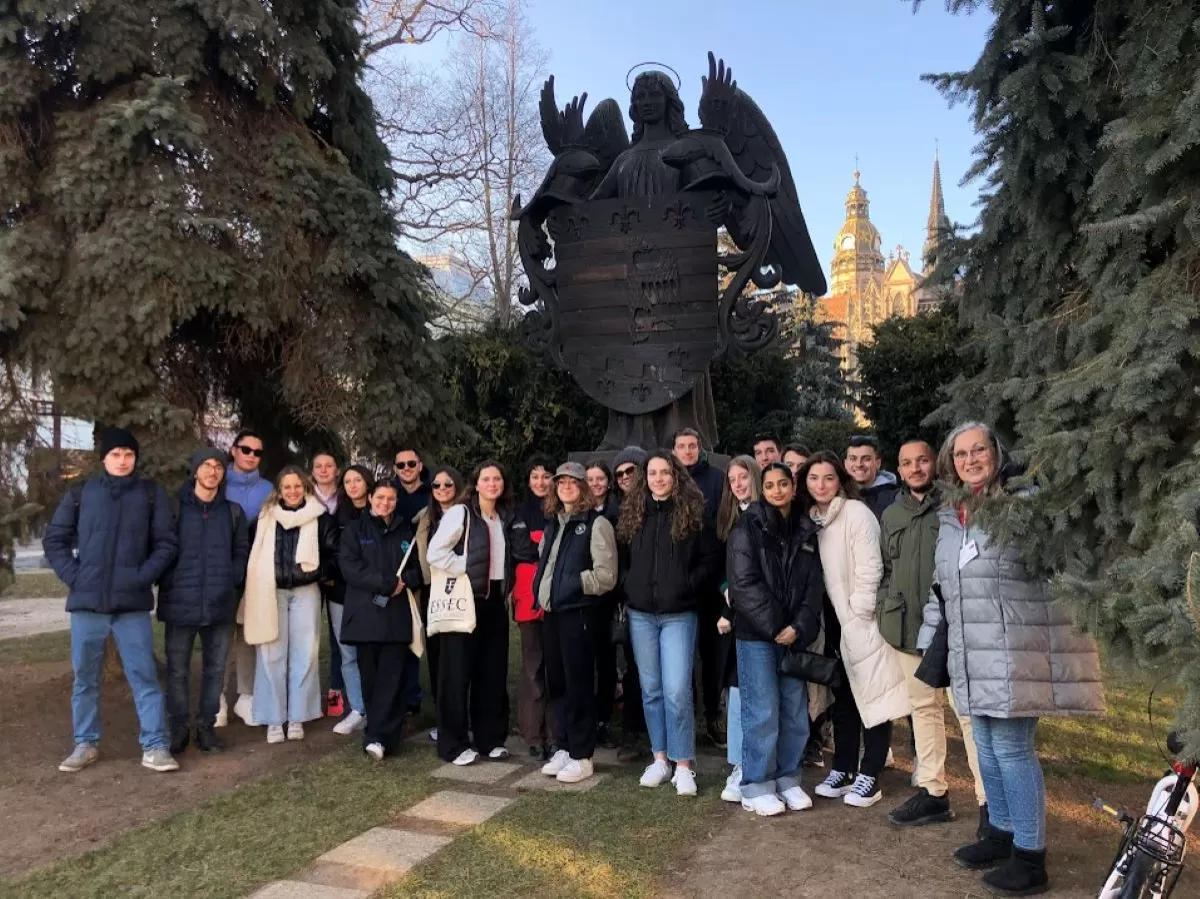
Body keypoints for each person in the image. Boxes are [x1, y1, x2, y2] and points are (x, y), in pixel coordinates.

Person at [920, 423, 1103, 896]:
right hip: (970, 651)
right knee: (983, 743)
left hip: (1010, 649)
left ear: (997, 452)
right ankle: (1000, 833)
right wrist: (928, 639)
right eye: (960, 454)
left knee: (1012, 749)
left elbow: (1062, 566)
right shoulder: (952, 515)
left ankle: (1030, 855)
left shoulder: (1024, 506)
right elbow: (943, 588)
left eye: (979, 449)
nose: (970, 459)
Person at [45, 427, 180, 773]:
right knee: (85, 679)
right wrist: (76, 578)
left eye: (129, 455)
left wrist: (141, 577)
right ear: (103, 458)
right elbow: (55, 540)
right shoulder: (81, 494)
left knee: (144, 677)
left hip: (131, 606)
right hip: (87, 606)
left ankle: (155, 745)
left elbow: (166, 544)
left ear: (135, 458)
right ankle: (85, 744)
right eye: (116, 454)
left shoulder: (151, 495)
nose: (122, 461)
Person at [882, 439, 988, 829]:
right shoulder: (892, 513)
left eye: (922, 460)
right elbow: (886, 568)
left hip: (953, 627)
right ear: (898, 467)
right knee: (924, 710)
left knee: (969, 715)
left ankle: (988, 799)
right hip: (908, 628)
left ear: (935, 464)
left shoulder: (955, 506)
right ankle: (933, 791)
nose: (916, 468)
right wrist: (885, 609)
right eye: (907, 462)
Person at [802, 451, 909, 809]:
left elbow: (871, 569)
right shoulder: (814, 519)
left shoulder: (855, 514)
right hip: (831, 623)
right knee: (844, 698)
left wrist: (857, 615)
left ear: (840, 480)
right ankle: (844, 766)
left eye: (828, 478)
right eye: (814, 478)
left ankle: (871, 772)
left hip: (859, 621)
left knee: (873, 696)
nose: (821, 485)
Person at [618, 451, 719, 796]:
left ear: (676, 476)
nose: (658, 478)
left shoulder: (691, 512)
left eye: (665, 472)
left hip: (679, 613)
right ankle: (659, 759)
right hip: (642, 614)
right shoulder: (634, 514)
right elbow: (623, 559)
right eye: (652, 473)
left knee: (677, 689)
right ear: (645, 477)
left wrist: (685, 586)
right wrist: (630, 585)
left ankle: (683, 764)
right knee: (652, 690)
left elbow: (709, 561)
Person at [727, 462, 824, 816]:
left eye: (783, 483)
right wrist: (776, 627)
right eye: (770, 485)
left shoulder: (805, 530)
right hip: (758, 636)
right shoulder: (747, 528)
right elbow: (743, 585)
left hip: (793, 636)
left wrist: (798, 626)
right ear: (761, 489)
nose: (777, 490)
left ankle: (788, 779)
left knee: (794, 711)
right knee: (762, 711)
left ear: (792, 487)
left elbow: (814, 587)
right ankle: (755, 784)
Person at [428, 461, 535, 765]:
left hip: (495, 604)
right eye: (486, 479)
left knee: (491, 673)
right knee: (456, 674)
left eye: (497, 478)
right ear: (476, 484)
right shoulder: (460, 513)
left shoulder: (505, 517)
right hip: (465, 601)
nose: (492, 483)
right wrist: (464, 569)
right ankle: (454, 744)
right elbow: (434, 552)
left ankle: (490, 739)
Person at [158, 448, 249, 755]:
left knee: (215, 670)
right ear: (195, 470)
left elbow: (241, 552)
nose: (213, 471)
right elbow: (161, 547)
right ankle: (179, 728)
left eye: (218, 467)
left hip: (220, 603)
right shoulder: (174, 508)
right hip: (180, 602)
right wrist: (169, 580)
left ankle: (206, 727)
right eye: (207, 466)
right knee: (178, 670)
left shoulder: (232, 512)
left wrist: (232, 579)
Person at [242, 466, 338, 743]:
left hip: (305, 591)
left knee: (305, 653)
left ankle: (297, 716)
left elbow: (334, 554)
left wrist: (316, 573)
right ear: (279, 490)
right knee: (270, 653)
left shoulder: (320, 519)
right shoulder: (264, 518)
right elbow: (251, 553)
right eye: (287, 487)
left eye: (298, 486)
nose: (293, 491)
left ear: (305, 488)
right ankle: (274, 718)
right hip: (270, 592)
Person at [537, 463, 618, 784]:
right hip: (552, 614)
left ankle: (582, 755)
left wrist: (571, 584)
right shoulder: (554, 524)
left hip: (579, 614)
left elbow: (606, 575)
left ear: (584, 487)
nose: (567, 486)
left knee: (579, 683)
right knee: (557, 682)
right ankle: (565, 745)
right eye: (562, 482)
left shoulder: (596, 524)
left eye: (574, 482)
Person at [337, 480, 424, 760]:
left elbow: (416, 570)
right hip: (365, 617)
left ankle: (384, 736)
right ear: (371, 498)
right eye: (380, 497)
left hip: (396, 617)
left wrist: (405, 581)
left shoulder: (406, 531)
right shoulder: (354, 530)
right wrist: (387, 583)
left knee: (393, 677)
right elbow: (351, 569)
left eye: (391, 498)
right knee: (371, 679)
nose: (385, 503)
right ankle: (375, 733)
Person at [670, 427, 726, 747]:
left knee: (712, 653)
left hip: (710, 579)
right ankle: (685, 719)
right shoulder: (669, 479)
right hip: (679, 580)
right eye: (682, 446)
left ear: (700, 448)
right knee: (682, 656)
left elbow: (722, 523)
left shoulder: (716, 479)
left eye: (693, 445)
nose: (688, 451)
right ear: (674, 449)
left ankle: (713, 714)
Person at [713, 455, 760, 803]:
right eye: (733, 480)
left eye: (743, 477)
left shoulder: (768, 515)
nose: (738, 484)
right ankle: (739, 764)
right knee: (738, 691)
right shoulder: (729, 519)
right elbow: (722, 568)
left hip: (765, 618)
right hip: (736, 617)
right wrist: (725, 598)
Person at [414, 465, 466, 743]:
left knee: (459, 659)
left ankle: (461, 719)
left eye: (448, 484)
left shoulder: (468, 515)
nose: (442, 489)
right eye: (436, 485)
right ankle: (443, 719)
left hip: (461, 592)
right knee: (437, 659)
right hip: (432, 593)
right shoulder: (424, 519)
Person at [224, 429, 272, 728]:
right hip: (220, 567)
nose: (251, 456)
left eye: (257, 452)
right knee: (219, 635)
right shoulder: (217, 480)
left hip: (255, 571)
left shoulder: (268, 489)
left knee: (246, 633)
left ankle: (246, 696)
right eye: (246, 450)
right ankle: (216, 698)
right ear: (233, 450)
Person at [511, 455, 557, 760]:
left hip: (556, 595)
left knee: (556, 665)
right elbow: (522, 549)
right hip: (528, 596)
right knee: (532, 665)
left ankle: (555, 732)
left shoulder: (560, 509)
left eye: (546, 476)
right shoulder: (519, 511)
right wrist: (546, 549)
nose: (540, 482)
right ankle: (532, 732)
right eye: (534, 476)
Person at [327, 464, 375, 736]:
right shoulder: (338, 515)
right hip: (342, 593)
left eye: (358, 479)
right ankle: (357, 708)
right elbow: (332, 553)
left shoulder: (379, 510)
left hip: (373, 593)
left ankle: (377, 706)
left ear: (367, 482)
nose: (353, 485)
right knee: (348, 653)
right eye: (348, 481)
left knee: (374, 652)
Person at [611, 446, 649, 762]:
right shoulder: (615, 510)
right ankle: (633, 733)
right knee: (634, 669)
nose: (625, 477)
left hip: (656, 597)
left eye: (631, 471)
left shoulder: (656, 506)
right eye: (620, 473)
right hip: (628, 599)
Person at [585, 459, 620, 748]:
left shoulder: (617, 511)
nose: (595, 483)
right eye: (590, 479)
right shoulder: (579, 513)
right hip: (585, 597)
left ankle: (604, 720)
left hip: (611, 596)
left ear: (608, 482)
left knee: (607, 661)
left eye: (600, 479)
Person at [310, 452, 347, 719]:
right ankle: (307, 696)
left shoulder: (346, 497)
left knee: (338, 635)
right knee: (308, 637)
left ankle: (337, 689)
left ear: (337, 470)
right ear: (312, 471)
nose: (324, 470)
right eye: (318, 466)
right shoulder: (303, 496)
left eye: (329, 466)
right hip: (308, 576)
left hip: (338, 575)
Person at [845, 435, 900, 520]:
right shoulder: (837, 496)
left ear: (878, 463)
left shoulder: (894, 499)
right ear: (845, 463)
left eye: (866, 459)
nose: (859, 464)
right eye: (853, 459)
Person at [392, 447, 432, 525]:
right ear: (395, 469)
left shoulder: (435, 493)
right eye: (401, 465)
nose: (406, 468)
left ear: (420, 466)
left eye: (412, 464)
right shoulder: (387, 493)